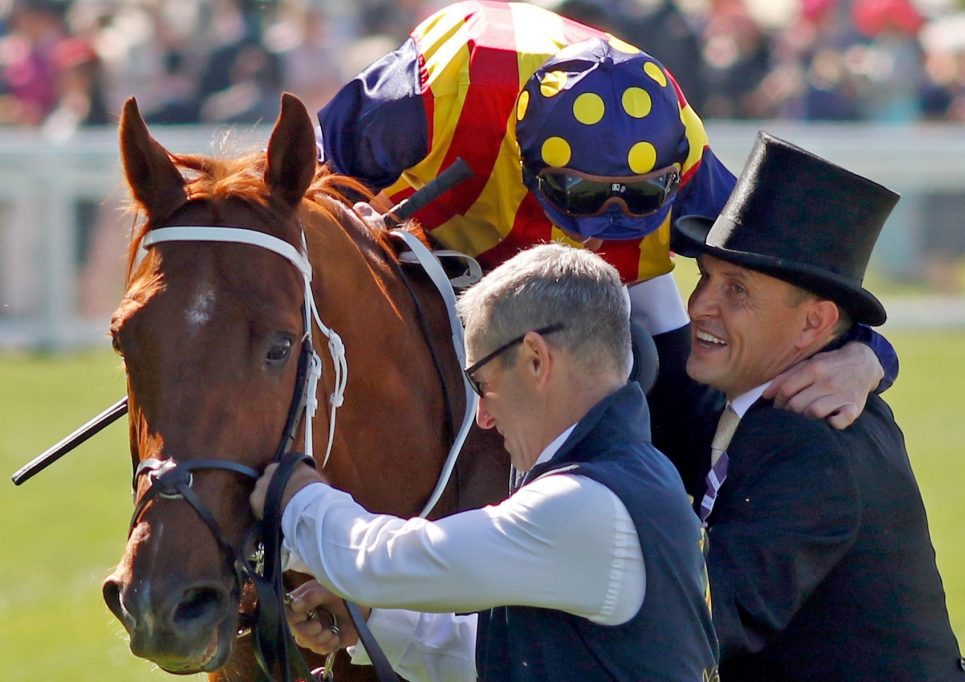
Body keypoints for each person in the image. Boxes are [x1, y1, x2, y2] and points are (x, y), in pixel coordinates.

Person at [317, 0, 898, 469]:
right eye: (579, 197)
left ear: (671, 173)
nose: (600, 234)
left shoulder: (691, 167)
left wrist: (868, 357)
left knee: (670, 394)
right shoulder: (435, 87)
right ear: (525, 161)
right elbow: (301, 186)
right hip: (429, 239)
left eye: (641, 201)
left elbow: (807, 291)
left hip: (594, 271)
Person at [250, 244, 719, 681]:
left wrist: (297, 496)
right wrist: (373, 619)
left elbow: (385, 561)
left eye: (481, 383)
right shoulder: (636, 481)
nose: (484, 417)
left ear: (535, 359)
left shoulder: (585, 503)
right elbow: (511, 654)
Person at [672, 132, 965, 680]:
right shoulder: (766, 402)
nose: (698, 306)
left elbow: (704, 622)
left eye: (736, 290)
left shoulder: (807, 441)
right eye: (705, 278)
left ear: (815, 323)